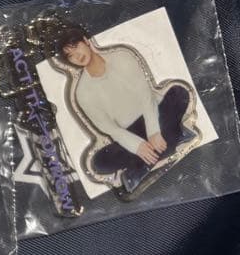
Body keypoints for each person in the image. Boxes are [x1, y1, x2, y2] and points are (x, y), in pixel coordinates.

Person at [54, 25, 195, 192]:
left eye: (76, 46)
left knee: (179, 93)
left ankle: (140, 169)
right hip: (130, 133)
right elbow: (109, 128)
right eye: (70, 55)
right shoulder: (82, 93)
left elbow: (145, 96)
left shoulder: (121, 57)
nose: (77, 56)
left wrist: (153, 131)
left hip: (155, 115)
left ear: (86, 41)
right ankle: (176, 135)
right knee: (99, 162)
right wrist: (137, 145)